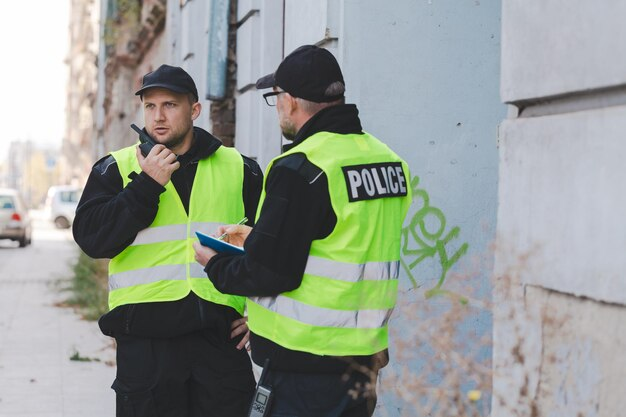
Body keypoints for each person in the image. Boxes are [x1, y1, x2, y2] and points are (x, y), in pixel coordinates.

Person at [193, 45, 412, 417]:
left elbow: (269, 272)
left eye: (275, 98)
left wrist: (214, 263)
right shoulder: (389, 162)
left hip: (304, 365)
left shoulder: (301, 167)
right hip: (363, 362)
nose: (277, 107)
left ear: (290, 101)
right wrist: (258, 239)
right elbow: (345, 242)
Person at [73, 64, 262, 417]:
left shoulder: (240, 168)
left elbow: (271, 247)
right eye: (150, 106)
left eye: (170, 105)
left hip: (219, 342)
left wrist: (261, 316)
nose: (158, 117)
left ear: (194, 110)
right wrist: (145, 185)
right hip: (146, 343)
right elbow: (93, 240)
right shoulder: (115, 168)